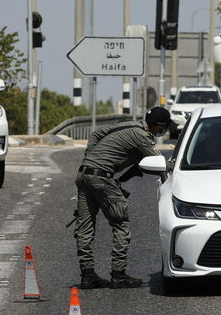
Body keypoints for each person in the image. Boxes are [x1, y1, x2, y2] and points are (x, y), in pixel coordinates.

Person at [73, 107, 172, 288]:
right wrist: (175, 164)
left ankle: (87, 275)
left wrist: (91, 159)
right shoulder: (142, 136)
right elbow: (160, 162)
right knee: (121, 224)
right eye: (163, 129)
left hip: (84, 174)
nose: (162, 132)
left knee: (85, 227)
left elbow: (95, 134)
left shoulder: (127, 125)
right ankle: (118, 275)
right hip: (101, 178)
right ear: (159, 126)